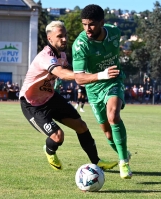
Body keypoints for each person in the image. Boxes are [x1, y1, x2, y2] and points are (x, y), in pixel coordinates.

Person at [19, 21, 117, 171]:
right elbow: (62, 74)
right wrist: (99, 75)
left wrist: (89, 74)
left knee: (81, 126)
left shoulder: (62, 55)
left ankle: (97, 162)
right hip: (32, 104)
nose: (64, 39)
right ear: (49, 38)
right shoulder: (45, 56)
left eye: (65, 35)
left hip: (50, 97)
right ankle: (49, 150)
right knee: (58, 136)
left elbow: (73, 70)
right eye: (60, 36)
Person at [72, 4, 132, 179]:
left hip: (114, 81)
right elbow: (79, 78)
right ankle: (124, 152)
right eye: (84, 24)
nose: (87, 29)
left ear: (101, 23)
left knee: (113, 116)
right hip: (93, 88)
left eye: (91, 24)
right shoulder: (80, 45)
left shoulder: (114, 32)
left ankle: (124, 163)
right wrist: (101, 74)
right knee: (107, 131)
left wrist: (110, 74)